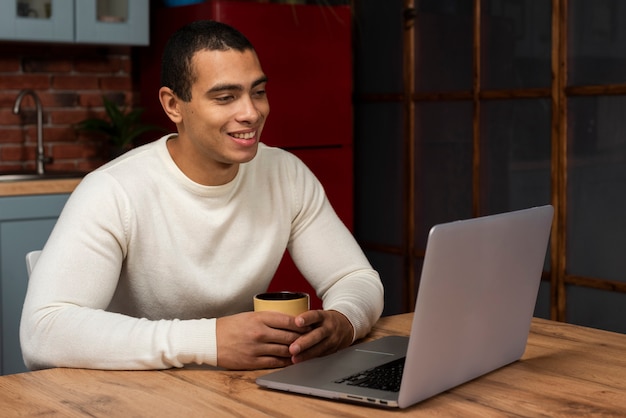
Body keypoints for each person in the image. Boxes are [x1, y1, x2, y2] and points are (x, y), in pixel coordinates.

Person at [20, 20, 384, 371]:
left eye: (258, 92)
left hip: (239, 386)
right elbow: (43, 332)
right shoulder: (113, 190)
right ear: (173, 105)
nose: (251, 112)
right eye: (225, 97)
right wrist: (208, 342)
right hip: (130, 394)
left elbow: (355, 278)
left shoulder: (285, 174)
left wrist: (343, 321)